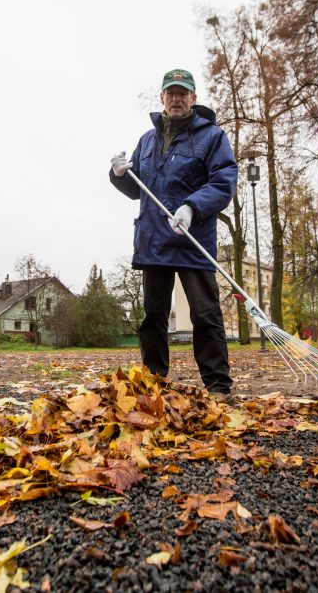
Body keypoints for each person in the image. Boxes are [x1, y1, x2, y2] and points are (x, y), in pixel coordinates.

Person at [109, 69, 238, 397]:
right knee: (153, 316)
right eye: (171, 93)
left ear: (193, 98)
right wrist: (119, 174)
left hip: (193, 240)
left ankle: (218, 386)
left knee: (205, 314)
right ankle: (153, 381)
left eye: (183, 93)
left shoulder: (212, 137)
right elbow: (137, 190)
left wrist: (192, 207)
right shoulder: (147, 141)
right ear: (162, 97)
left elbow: (224, 182)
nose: (176, 98)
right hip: (153, 240)